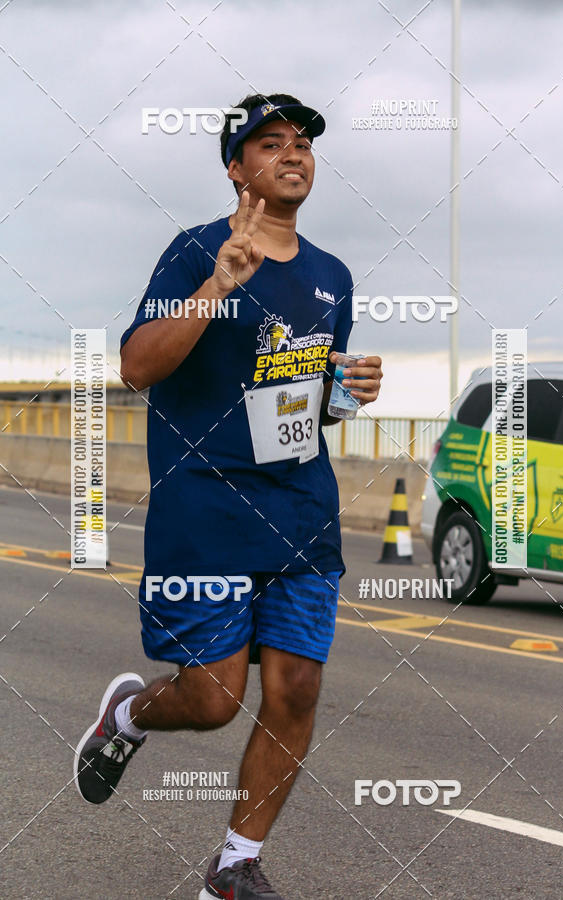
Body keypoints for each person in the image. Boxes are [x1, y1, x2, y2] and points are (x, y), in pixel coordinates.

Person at [74, 92, 383, 899]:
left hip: (301, 512)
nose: (293, 153)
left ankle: (234, 868)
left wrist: (351, 393)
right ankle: (128, 718)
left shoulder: (332, 276)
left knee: (298, 687)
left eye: (303, 143)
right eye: (270, 142)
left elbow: (308, 403)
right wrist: (218, 284)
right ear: (236, 167)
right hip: (205, 508)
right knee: (213, 697)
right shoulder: (193, 252)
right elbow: (138, 367)